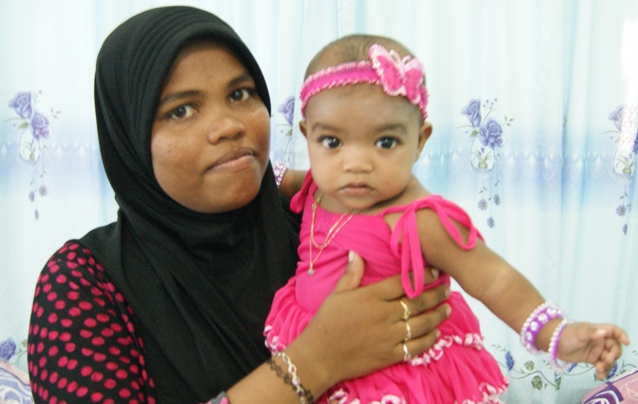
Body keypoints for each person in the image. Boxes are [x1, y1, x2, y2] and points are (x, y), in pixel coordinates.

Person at [25, 8, 451, 404]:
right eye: (181, 111)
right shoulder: (84, 281)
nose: (229, 126)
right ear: (129, 138)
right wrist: (315, 360)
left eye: (240, 94)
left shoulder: (320, 226)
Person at [265, 34, 631, 403]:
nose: (356, 164)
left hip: (399, 378)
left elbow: (494, 279)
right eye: (332, 142)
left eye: (385, 142)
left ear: (420, 141)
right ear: (308, 136)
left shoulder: (420, 219)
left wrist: (556, 334)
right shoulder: (317, 187)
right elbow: (268, 179)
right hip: (320, 356)